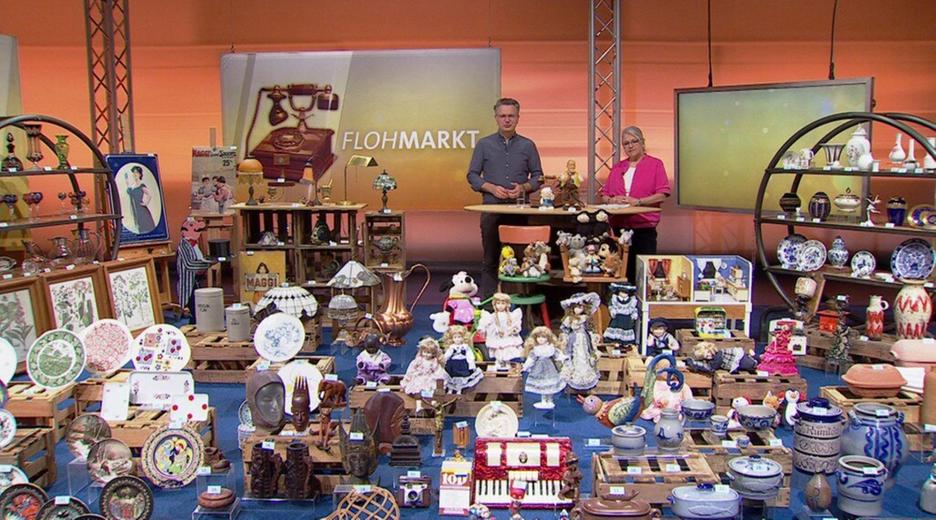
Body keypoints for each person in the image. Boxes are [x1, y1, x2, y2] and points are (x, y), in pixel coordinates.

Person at [467, 98, 544, 300]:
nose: (507, 120)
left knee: (522, 260)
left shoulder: (528, 145)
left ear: (518, 118)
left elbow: (538, 176)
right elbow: (472, 176)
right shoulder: (484, 145)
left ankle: (519, 306)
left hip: (519, 211)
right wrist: (491, 188)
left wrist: (523, 188)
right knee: (490, 260)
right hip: (491, 210)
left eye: (511, 116)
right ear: (496, 118)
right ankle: (489, 305)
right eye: (503, 116)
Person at [599, 126, 671, 281]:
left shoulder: (655, 164)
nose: (630, 146)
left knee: (642, 274)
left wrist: (638, 202)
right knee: (620, 273)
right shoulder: (618, 167)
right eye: (626, 143)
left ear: (642, 143)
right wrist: (612, 200)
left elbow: (662, 194)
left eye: (634, 141)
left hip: (643, 228)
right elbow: (604, 195)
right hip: (619, 229)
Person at [126, 165, 157, 234]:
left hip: (141, 209)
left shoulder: (141, 185)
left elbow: (149, 195)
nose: (135, 174)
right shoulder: (132, 185)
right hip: (135, 208)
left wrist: (145, 203)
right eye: (134, 173)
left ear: (140, 174)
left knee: (144, 225)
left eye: (136, 172)